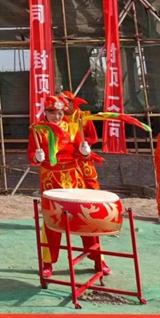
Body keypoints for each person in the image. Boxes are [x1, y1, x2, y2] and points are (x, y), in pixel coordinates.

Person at [28, 93, 107, 278]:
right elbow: (31, 152)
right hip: (51, 178)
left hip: (73, 177)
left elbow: (82, 154)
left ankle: (98, 259)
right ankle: (48, 262)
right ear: (45, 112)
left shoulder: (72, 128)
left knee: (85, 217)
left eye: (60, 113)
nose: (57, 116)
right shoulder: (37, 130)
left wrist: (85, 152)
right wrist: (36, 157)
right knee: (52, 220)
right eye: (52, 112)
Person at [63, 92, 103, 190]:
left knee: (89, 181)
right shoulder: (59, 117)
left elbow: (93, 136)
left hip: (82, 155)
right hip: (66, 157)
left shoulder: (83, 116)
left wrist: (84, 145)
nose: (64, 106)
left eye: (66, 102)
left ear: (72, 102)